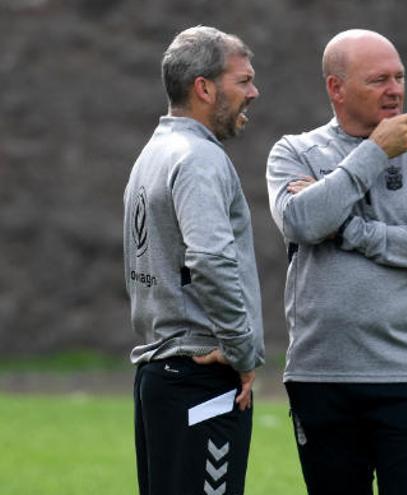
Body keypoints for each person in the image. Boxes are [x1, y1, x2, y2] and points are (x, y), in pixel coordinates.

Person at [266, 29, 407, 495]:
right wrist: (374, 153)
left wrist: (349, 230)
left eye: (399, 76)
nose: (395, 89)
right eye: (378, 79)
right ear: (336, 88)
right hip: (321, 375)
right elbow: (300, 221)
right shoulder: (294, 152)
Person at [123, 25, 264, 495]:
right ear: (204, 87)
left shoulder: (153, 153)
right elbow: (210, 261)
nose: (253, 92)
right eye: (242, 81)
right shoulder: (199, 159)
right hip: (200, 377)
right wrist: (242, 351)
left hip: (161, 377)